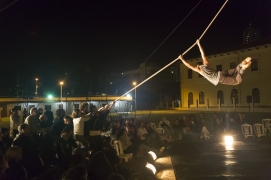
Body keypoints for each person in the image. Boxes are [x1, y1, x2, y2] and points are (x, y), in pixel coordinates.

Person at [179, 39, 252, 86]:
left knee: (236, 81)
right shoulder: (206, 63)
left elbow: (189, 66)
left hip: (220, 78)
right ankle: (241, 65)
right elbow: (202, 54)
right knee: (235, 70)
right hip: (220, 73)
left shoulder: (200, 69)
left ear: (198, 66)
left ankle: (243, 68)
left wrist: (182, 59)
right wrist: (198, 44)